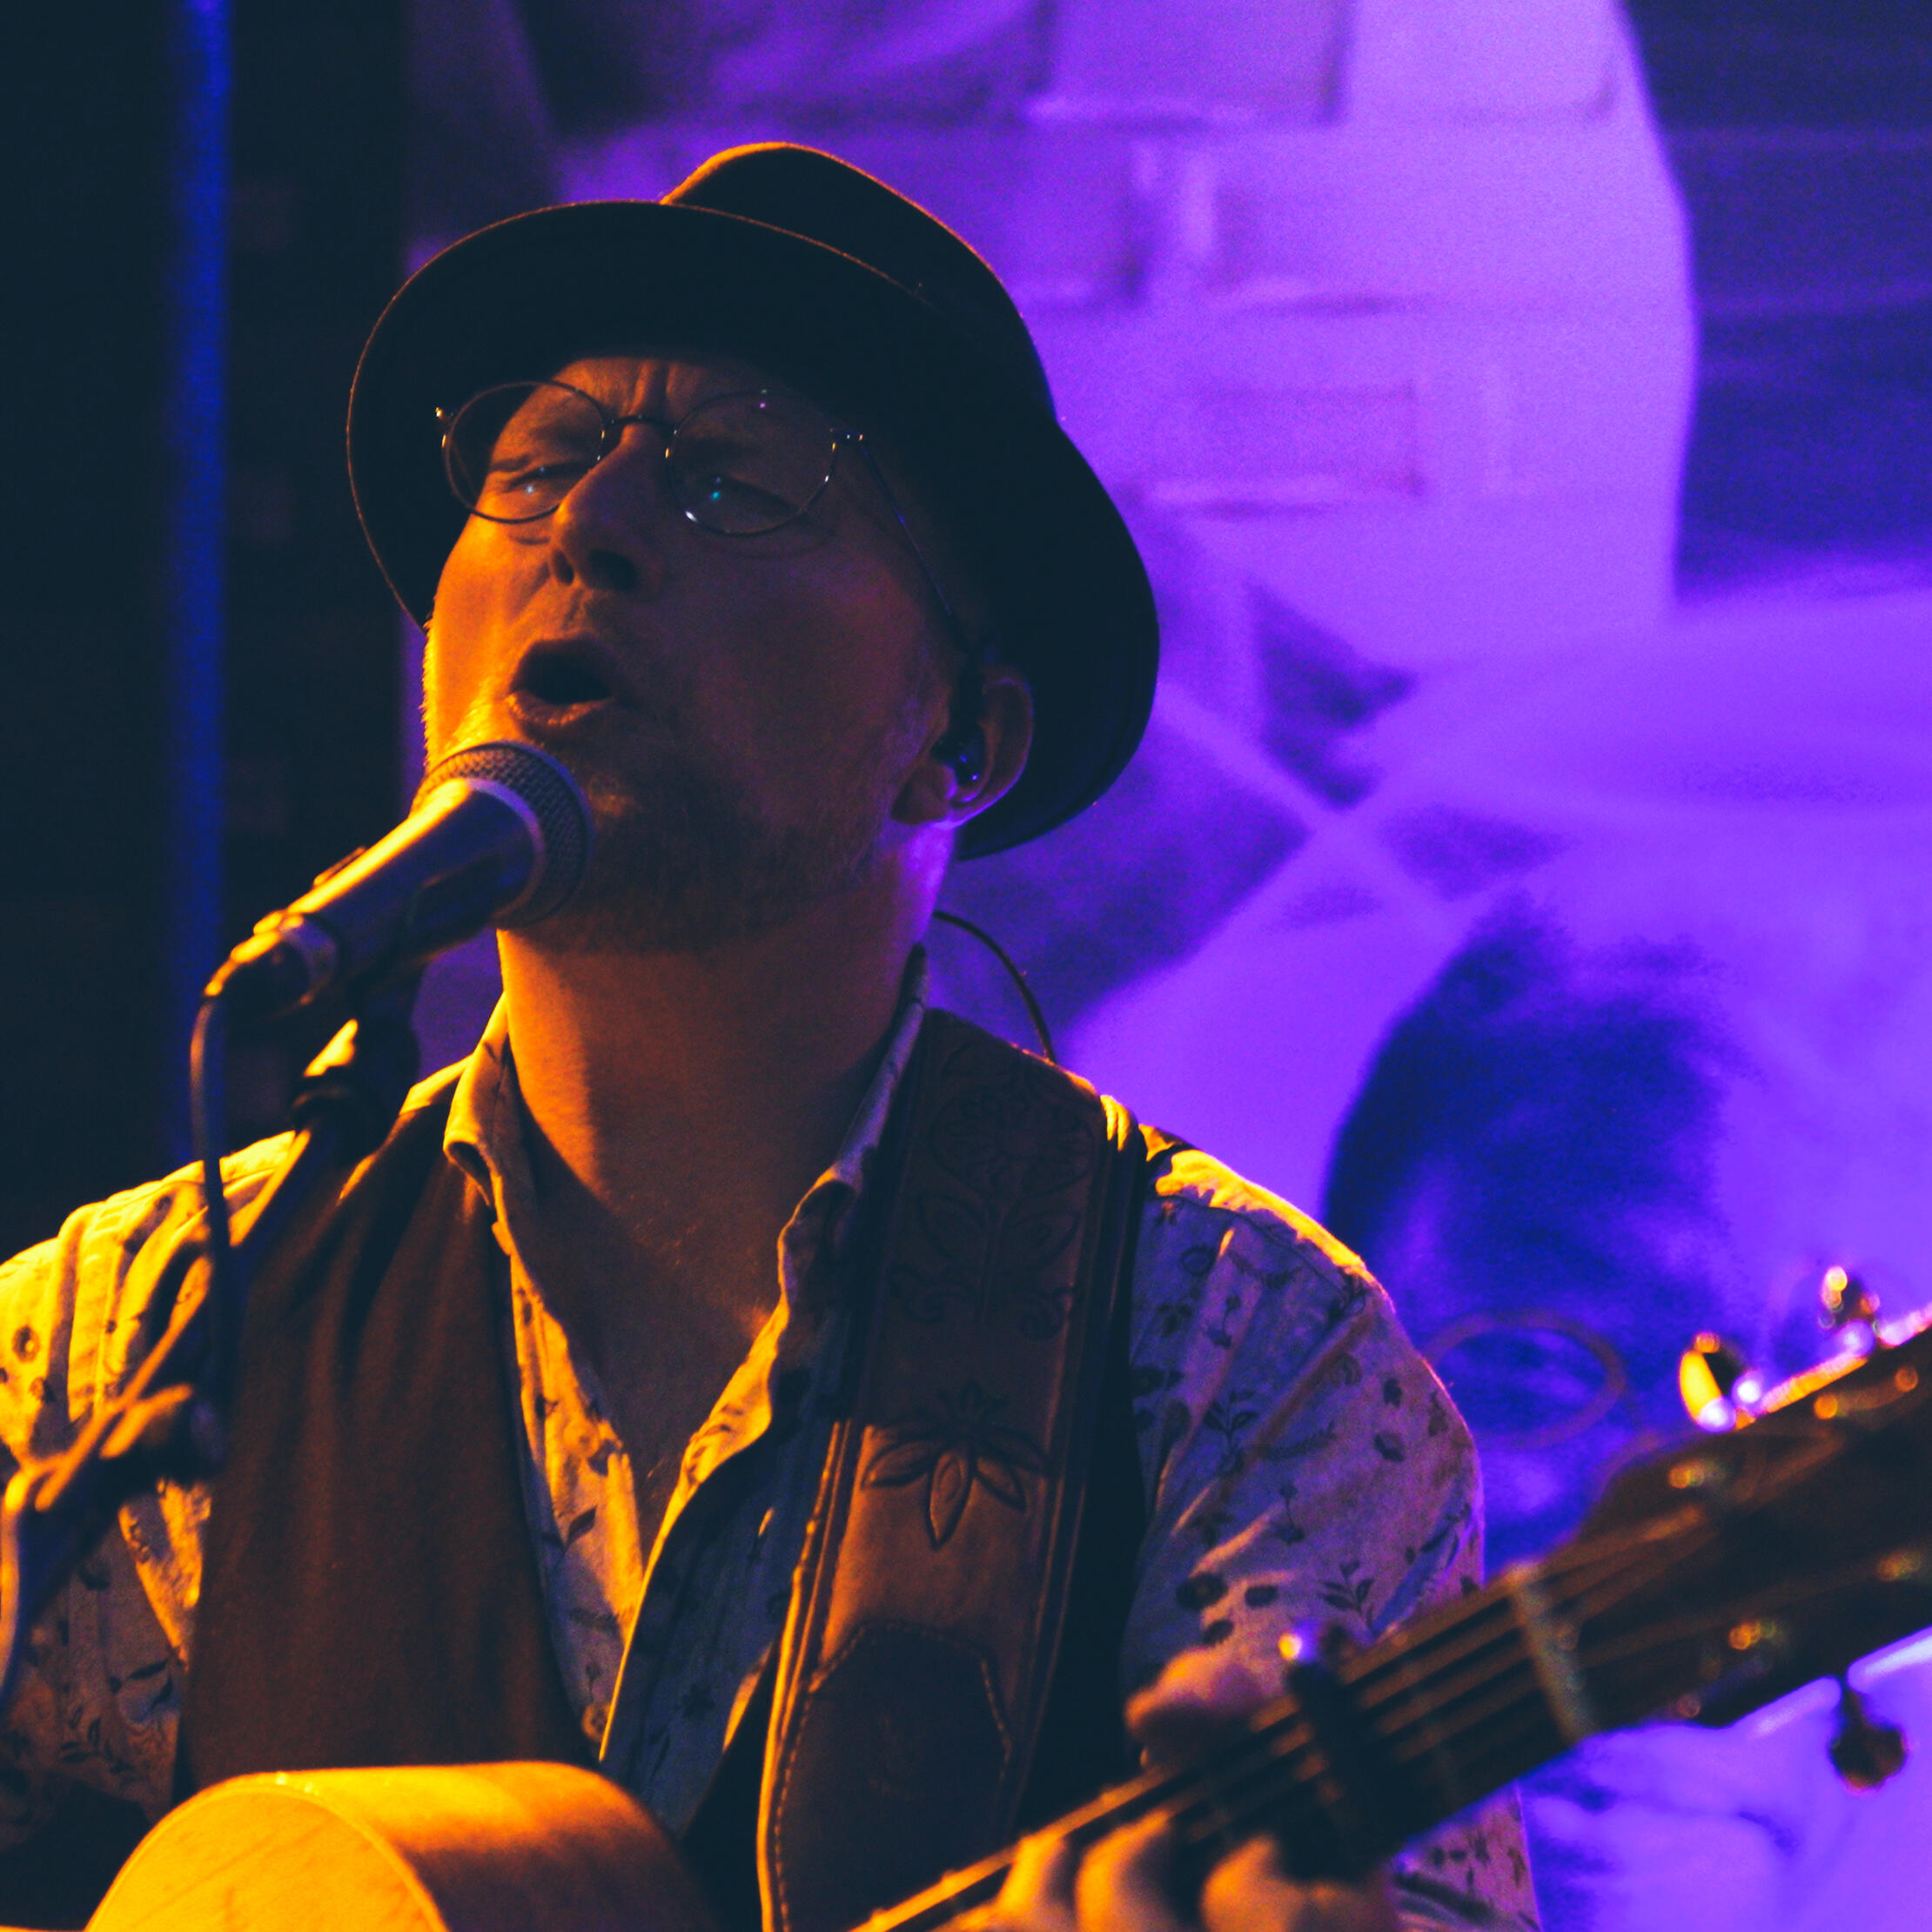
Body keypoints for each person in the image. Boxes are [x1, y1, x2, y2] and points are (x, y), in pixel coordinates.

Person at [0, 145, 1535, 1931]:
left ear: (959, 743)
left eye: (734, 484)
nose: (589, 526)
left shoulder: (1231, 1357)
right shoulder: (135, 1331)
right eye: (535, 464)